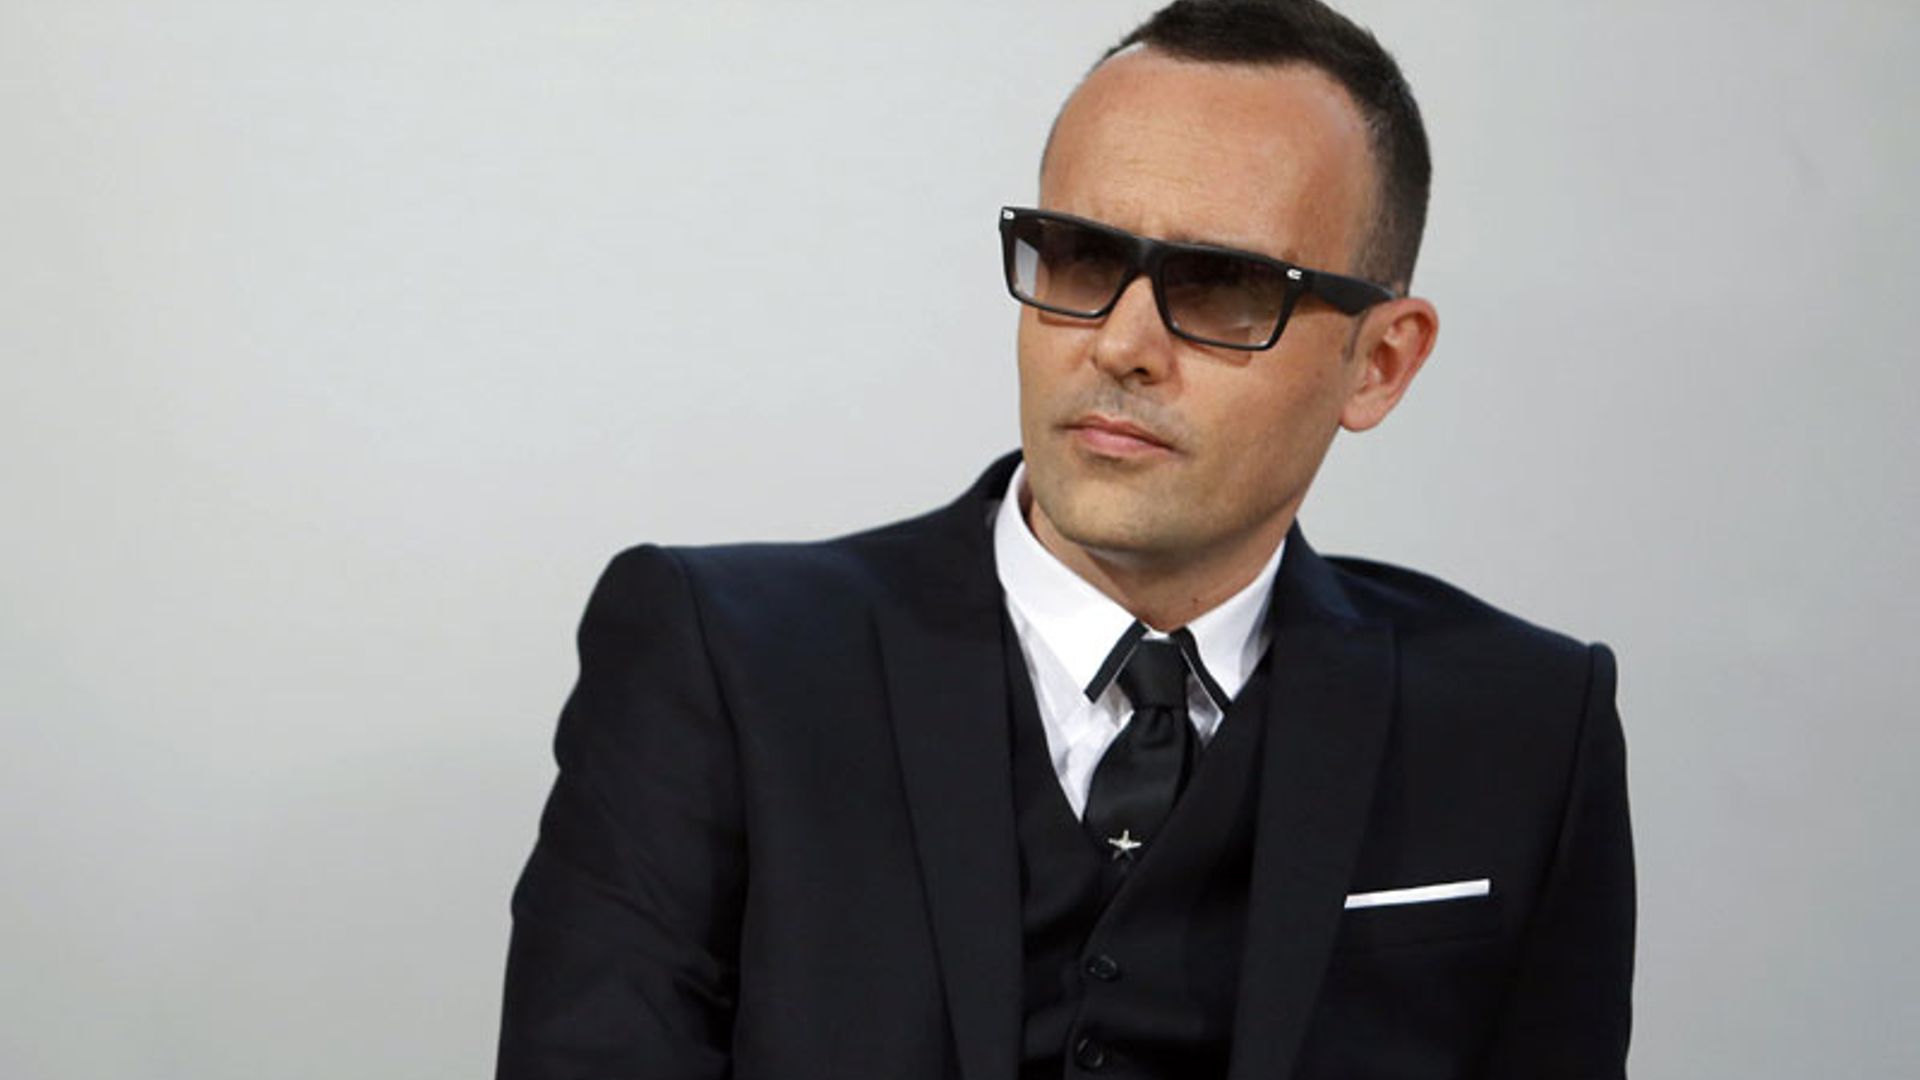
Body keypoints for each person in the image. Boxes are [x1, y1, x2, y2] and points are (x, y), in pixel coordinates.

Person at [495, 1, 1635, 1077]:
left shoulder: (1526, 728)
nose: (1122, 345)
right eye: (1082, 259)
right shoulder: (719, 665)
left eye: (1223, 287)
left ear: (1379, 363)